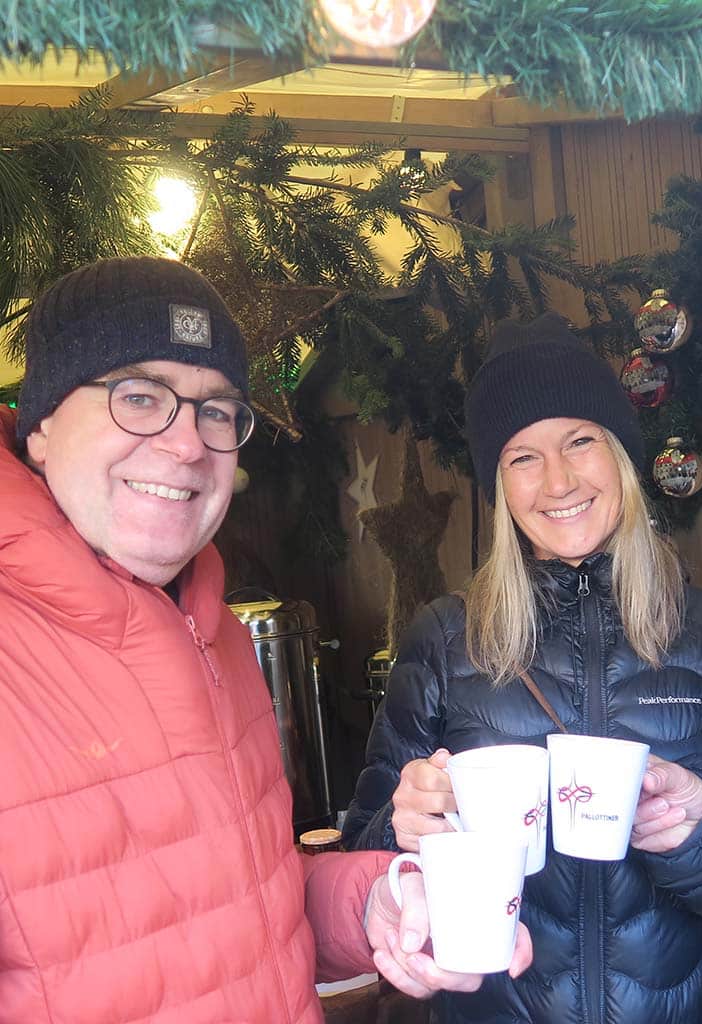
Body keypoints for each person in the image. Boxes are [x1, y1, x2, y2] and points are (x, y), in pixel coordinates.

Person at [0, 256, 530, 1024]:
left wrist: (376, 899)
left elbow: (244, 905)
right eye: (139, 396)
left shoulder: (211, 632)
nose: (187, 444)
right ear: (42, 426)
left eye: (217, 410)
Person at [343, 312, 702, 1024]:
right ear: (499, 486)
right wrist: (401, 830)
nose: (559, 480)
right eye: (523, 457)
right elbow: (363, 866)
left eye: (580, 442)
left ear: (621, 458)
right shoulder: (447, 639)